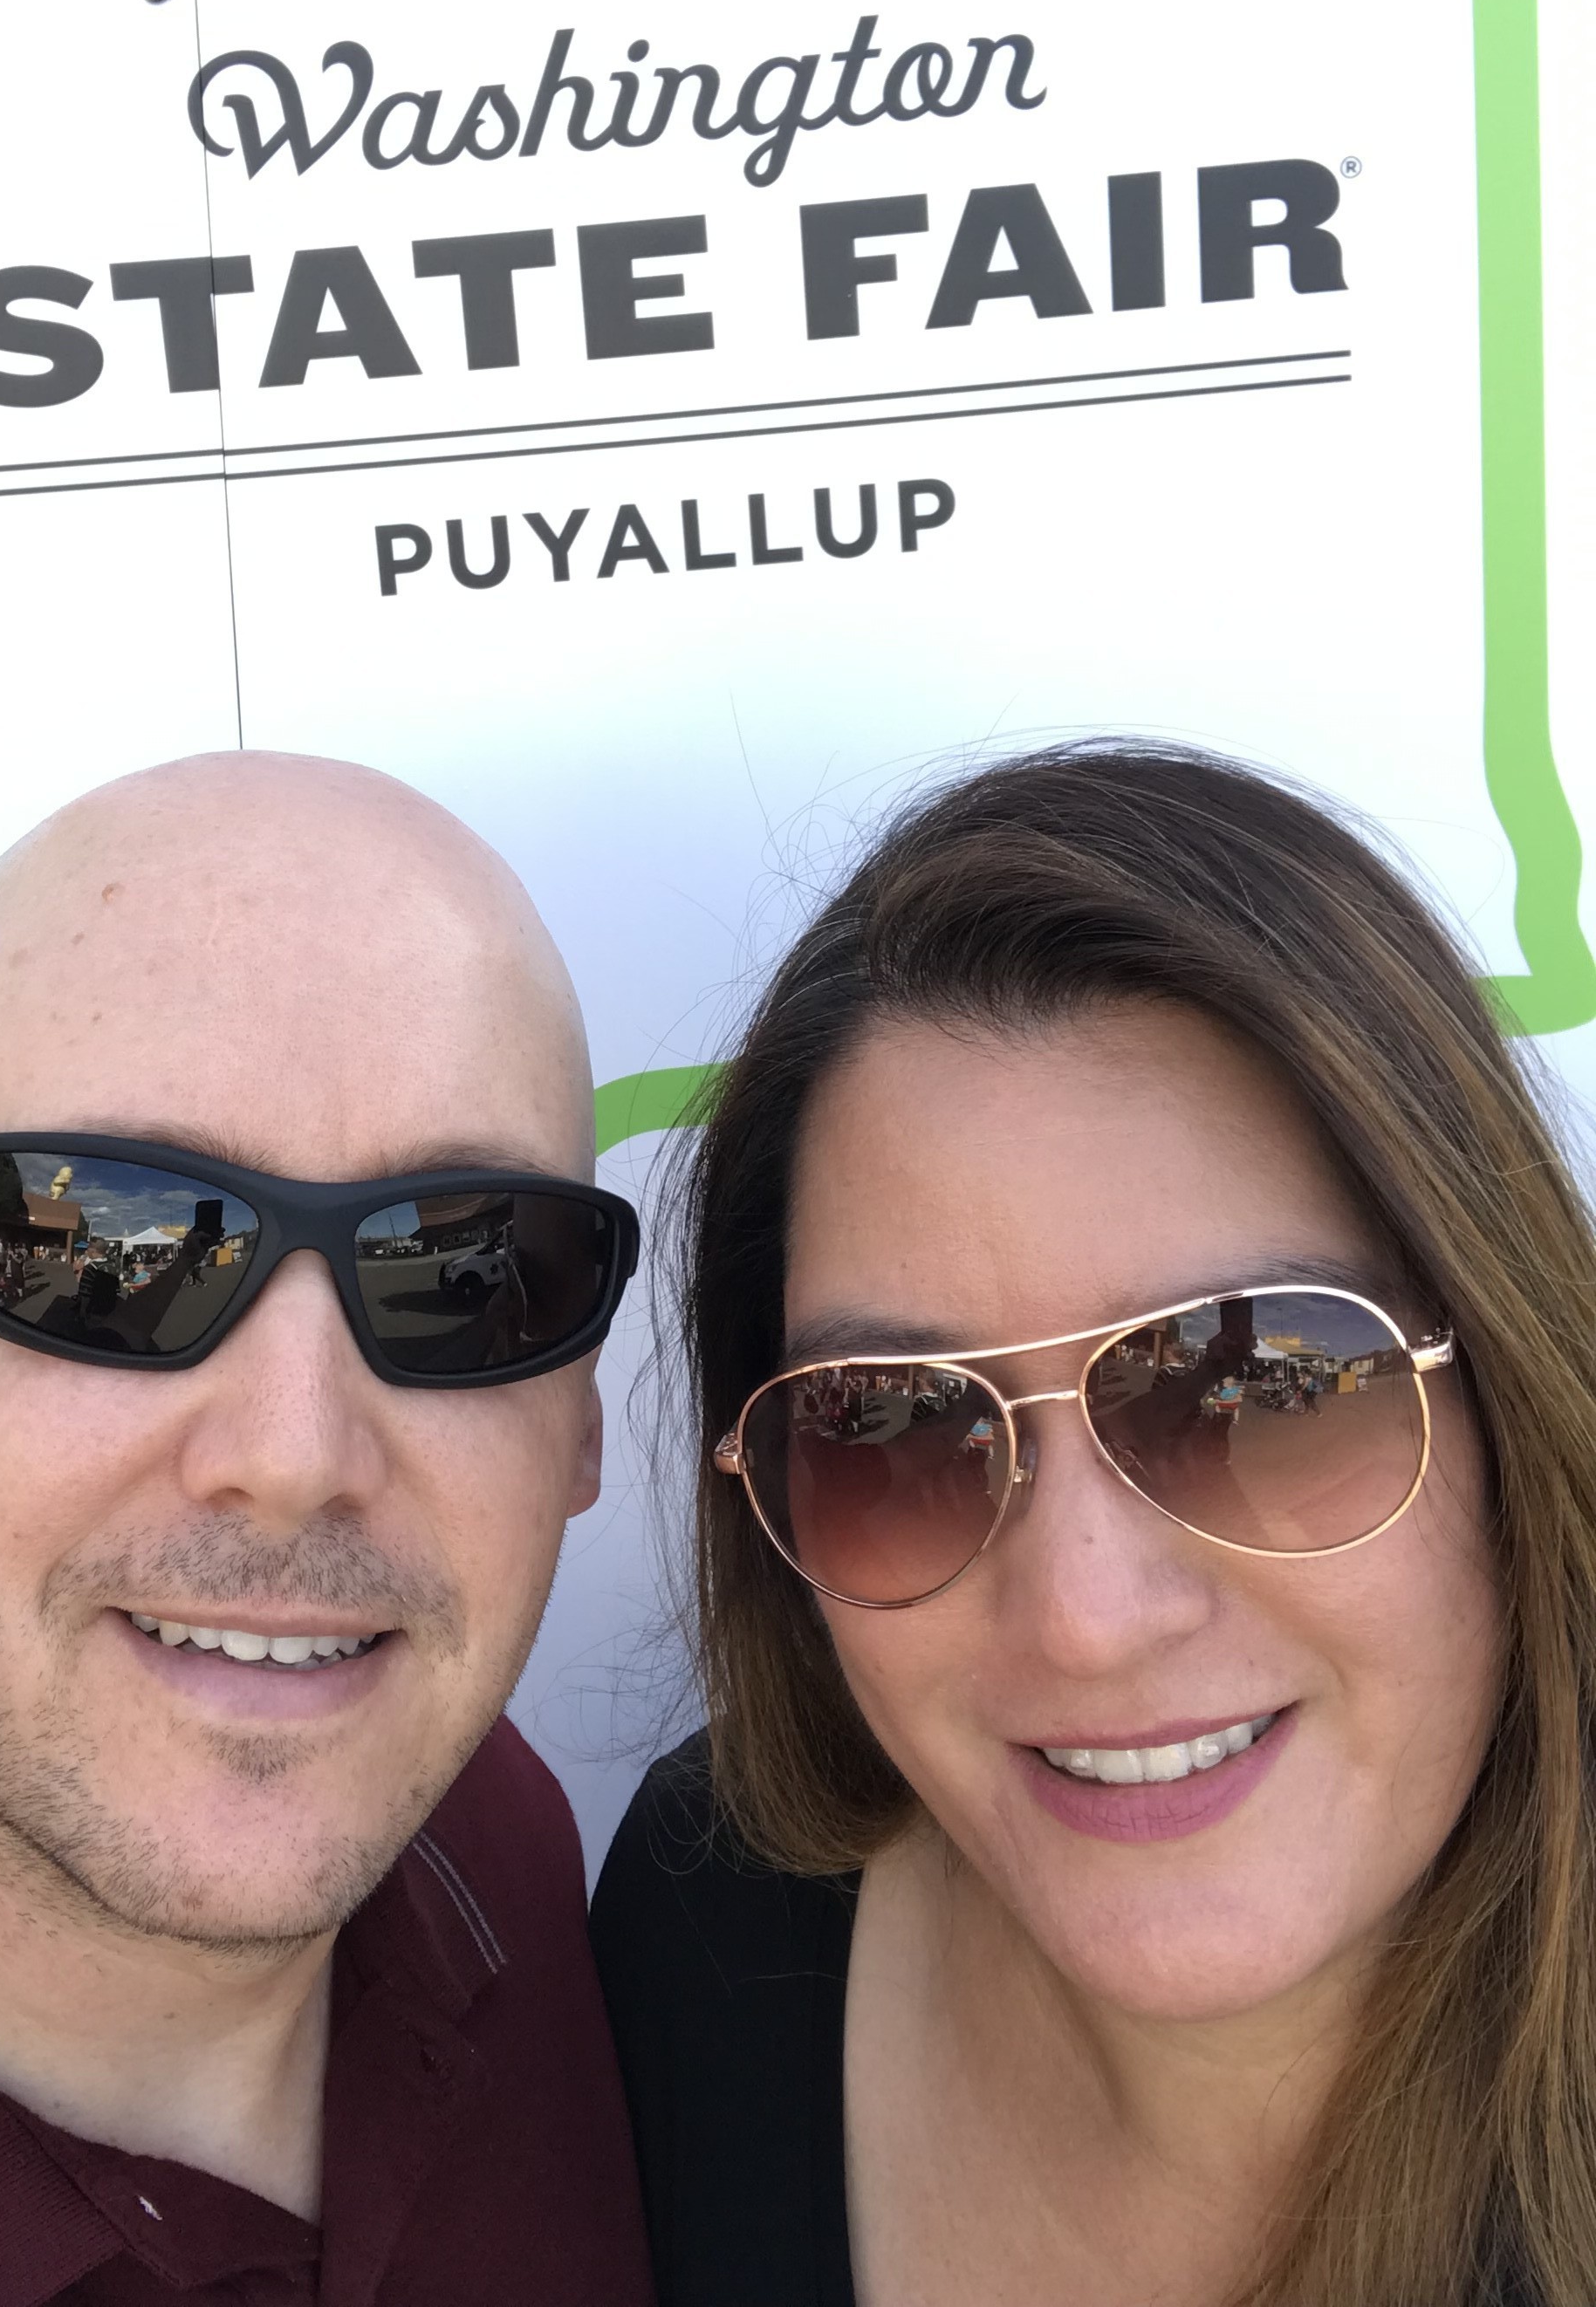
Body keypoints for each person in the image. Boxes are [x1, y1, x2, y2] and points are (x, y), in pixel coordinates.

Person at [0, 752, 654, 2305]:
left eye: (465, 1273)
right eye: (107, 1252)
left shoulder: (486, 1840)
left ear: (579, 1415)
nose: (293, 1457)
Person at [591, 743, 1596, 2307]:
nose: (1084, 1616)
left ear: (1508, 1401)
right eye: (894, 1423)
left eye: (1261, 1383)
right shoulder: (714, 1923)